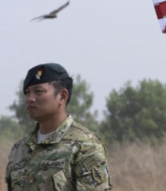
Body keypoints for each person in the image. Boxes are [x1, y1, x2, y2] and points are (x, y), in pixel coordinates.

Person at [5, 63, 112, 191]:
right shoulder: (20, 149)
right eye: (27, 93)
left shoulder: (84, 145)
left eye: (38, 92)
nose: (30, 99)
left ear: (62, 96)